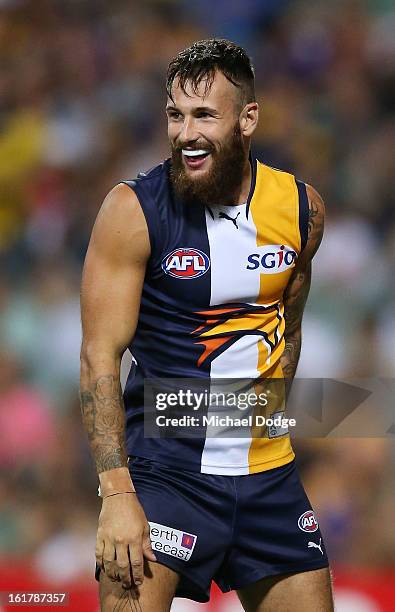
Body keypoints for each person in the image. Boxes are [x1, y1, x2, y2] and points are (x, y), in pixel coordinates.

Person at [80, 38, 333, 611]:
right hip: (166, 477)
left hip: (269, 479)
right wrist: (117, 493)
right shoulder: (132, 211)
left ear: (247, 119)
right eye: (175, 114)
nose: (185, 133)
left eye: (204, 115)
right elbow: (98, 356)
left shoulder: (301, 211)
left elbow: (287, 331)